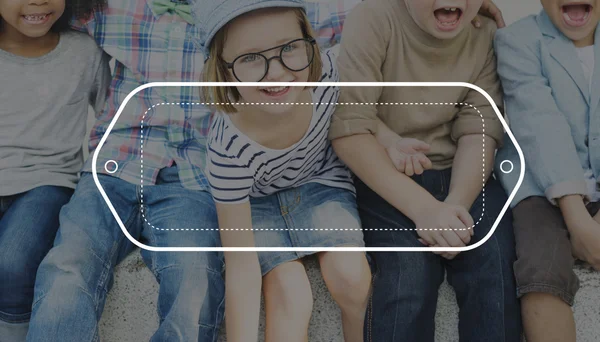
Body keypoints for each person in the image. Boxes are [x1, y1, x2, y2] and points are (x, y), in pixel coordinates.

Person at [24, 0, 364, 341]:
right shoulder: (122, 10)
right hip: (117, 160)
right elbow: (43, 10)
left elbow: (351, 14)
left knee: (194, 282)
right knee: (67, 266)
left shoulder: (248, 15)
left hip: (192, 175)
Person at [329, 0, 521, 341]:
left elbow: (480, 128)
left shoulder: (483, 31)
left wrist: (455, 209)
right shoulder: (375, 18)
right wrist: (425, 209)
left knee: (494, 266)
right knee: (407, 275)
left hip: (464, 173)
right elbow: (350, 130)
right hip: (385, 174)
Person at [198, 1, 370, 341]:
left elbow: (387, 20)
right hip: (257, 206)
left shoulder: (328, 77)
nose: (275, 72)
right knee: (289, 294)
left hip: (321, 183)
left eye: (289, 48)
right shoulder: (228, 149)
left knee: (352, 278)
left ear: (309, 43)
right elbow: (241, 266)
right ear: (222, 68)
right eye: (250, 58)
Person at [0, 1, 109, 341]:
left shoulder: (84, 51)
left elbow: (110, 120)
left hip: (49, 182)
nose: (38, 1)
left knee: (12, 261)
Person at [494, 1, 600, 341]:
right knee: (540, 266)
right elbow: (539, 124)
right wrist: (578, 220)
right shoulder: (518, 40)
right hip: (540, 182)